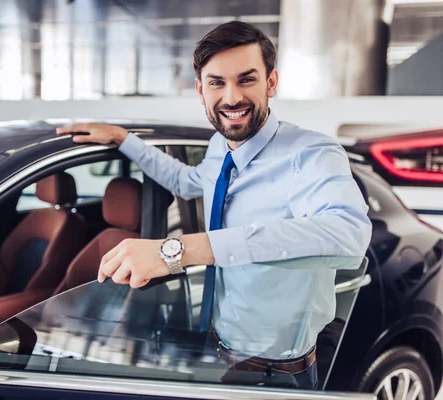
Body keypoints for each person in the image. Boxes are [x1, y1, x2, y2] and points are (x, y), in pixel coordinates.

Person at [56, 21, 372, 389]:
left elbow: (349, 236)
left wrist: (180, 250)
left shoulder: (313, 154)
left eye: (246, 79)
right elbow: (187, 182)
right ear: (200, 89)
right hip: (215, 351)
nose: (232, 97)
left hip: (276, 373)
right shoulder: (220, 146)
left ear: (271, 83)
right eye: (217, 82)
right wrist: (126, 140)